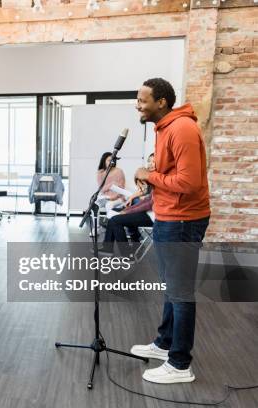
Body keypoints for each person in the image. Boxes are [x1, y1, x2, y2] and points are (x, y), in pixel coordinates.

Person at [131, 78, 210, 384]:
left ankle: (180, 365)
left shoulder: (181, 129)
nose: (138, 105)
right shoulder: (165, 128)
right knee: (171, 287)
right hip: (169, 216)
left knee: (180, 292)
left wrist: (149, 175)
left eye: (142, 100)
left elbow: (189, 183)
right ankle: (166, 345)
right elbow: (171, 173)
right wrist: (151, 176)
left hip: (182, 220)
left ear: (161, 102)